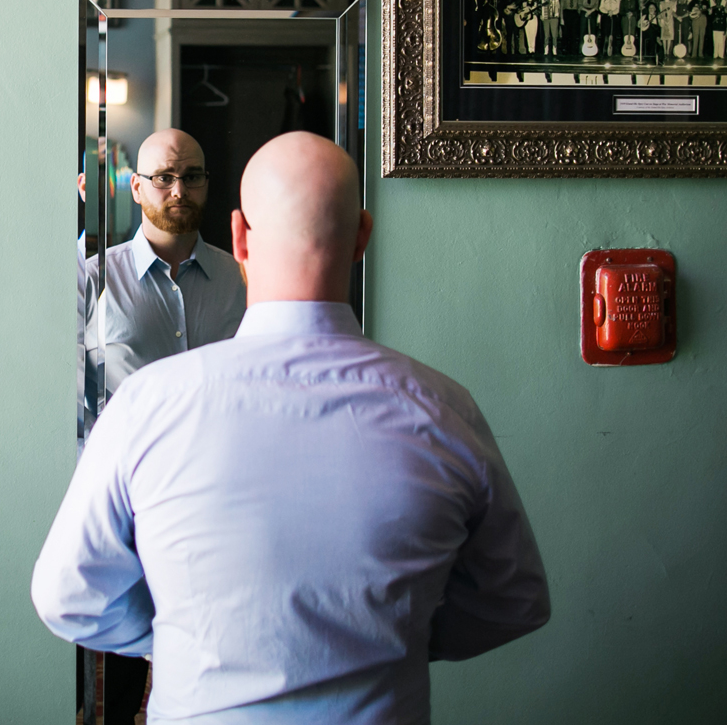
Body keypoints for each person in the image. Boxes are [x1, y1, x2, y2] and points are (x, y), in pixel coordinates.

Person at [36, 133, 551, 723]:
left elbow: (70, 597)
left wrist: (187, 633)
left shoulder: (145, 407)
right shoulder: (443, 409)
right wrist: (384, 638)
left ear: (239, 236)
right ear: (363, 236)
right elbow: (514, 601)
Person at [81, 126, 247, 720]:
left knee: (211, 646)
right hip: (129, 498)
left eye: (192, 176)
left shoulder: (239, 278)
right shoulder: (94, 276)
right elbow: (61, 383)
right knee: (123, 655)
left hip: (222, 495)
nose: (179, 189)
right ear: (136, 186)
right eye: (164, 177)